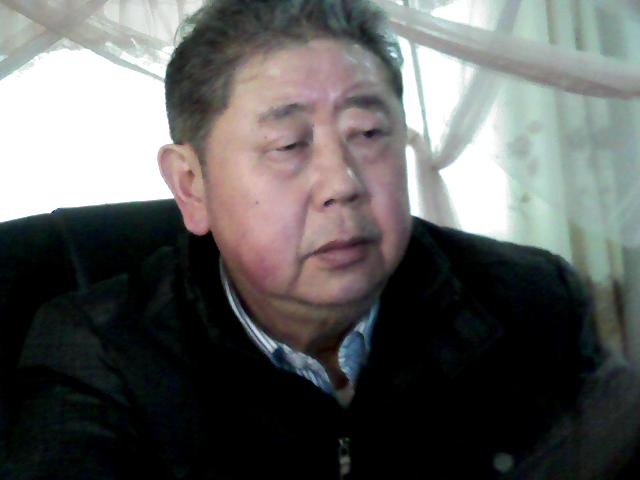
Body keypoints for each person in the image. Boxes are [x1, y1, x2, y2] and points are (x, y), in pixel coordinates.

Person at [2, 0, 640, 478]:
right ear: (191, 185)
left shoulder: (533, 298)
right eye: (288, 145)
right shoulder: (99, 353)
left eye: (369, 134)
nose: (343, 183)